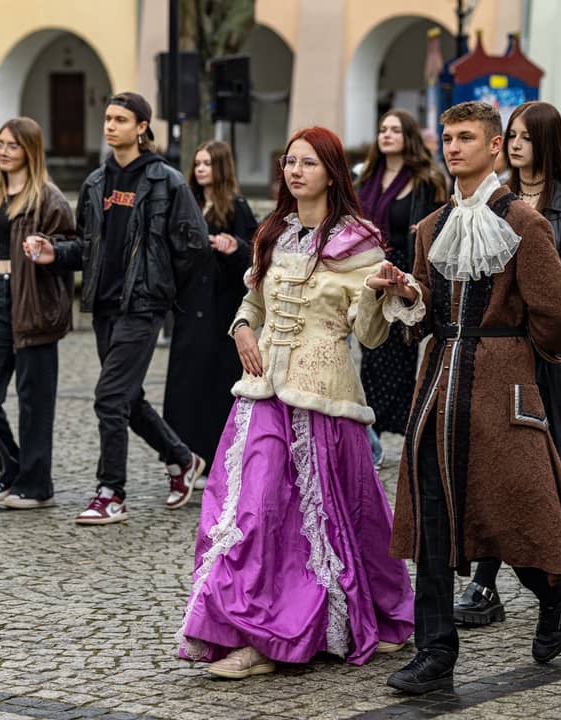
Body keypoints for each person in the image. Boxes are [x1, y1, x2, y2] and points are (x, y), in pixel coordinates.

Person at [175, 126, 414, 679]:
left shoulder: (360, 243)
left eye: (308, 162)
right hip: (262, 391)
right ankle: (253, 631)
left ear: (331, 173)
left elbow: (369, 333)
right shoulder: (273, 233)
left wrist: (379, 293)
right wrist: (241, 329)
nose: (296, 171)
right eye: (290, 162)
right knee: (251, 509)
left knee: (342, 517)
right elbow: (252, 302)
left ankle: (349, 616)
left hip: (324, 397)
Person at [377, 101, 561, 695]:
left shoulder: (524, 221)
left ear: (495, 146)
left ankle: (554, 589)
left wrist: (521, 357)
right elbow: (425, 311)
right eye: (447, 138)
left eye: (466, 138)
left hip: (501, 384)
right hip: (438, 387)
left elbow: (559, 313)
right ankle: (435, 653)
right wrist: (407, 294)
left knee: (510, 510)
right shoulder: (430, 226)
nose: (453, 148)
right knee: (431, 518)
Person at [26, 92, 210, 523]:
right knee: (127, 397)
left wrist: (162, 286)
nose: (110, 126)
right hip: (105, 305)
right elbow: (87, 246)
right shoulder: (96, 183)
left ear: (142, 127)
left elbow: (195, 244)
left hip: (144, 306)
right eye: (108, 118)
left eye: (121, 119)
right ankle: (182, 459)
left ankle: (111, 493)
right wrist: (55, 253)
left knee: (109, 398)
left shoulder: (166, 181)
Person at [453, 101, 561, 628]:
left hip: (555, 354)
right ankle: (485, 582)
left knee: (543, 463)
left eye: (526, 137)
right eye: (511, 136)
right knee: (495, 461)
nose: (516, 145)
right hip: (501, 352)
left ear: (547, 143)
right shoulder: (491, 200)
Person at [0, 118, 75, 509]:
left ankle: (37, 485)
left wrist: (49, 250)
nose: (3, 151)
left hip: (35, 302)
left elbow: (74, 249)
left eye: (12, 145)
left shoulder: (49, 199)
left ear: (30, 150)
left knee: (34, 400)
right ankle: (12, 467)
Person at [355, 109, 447, 466]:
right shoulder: (366, 179)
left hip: (404, 277)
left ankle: (407, 431)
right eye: (383, 129)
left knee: (402, 356)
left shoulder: (426, 179)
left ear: (408, 136)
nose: (387, 135)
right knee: (370, 355)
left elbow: (437, 226)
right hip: (369, 275)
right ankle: (373, 436)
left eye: (395, 130)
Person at [163, 140, 256, 481]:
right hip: (190, 304)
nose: (200, 168)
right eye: (197, 163)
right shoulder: (187, 203)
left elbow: (254, 255)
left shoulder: (236, 207)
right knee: (184, 381)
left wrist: (234, 247)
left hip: (221, 307)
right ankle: (183, 454)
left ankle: (215, 457)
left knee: (216, 383)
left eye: (207, 163)